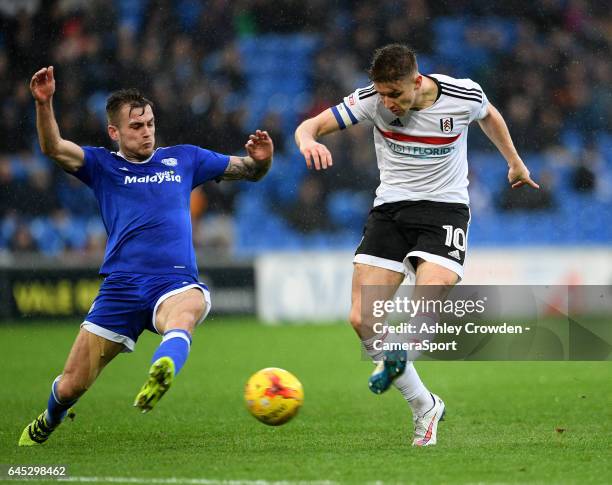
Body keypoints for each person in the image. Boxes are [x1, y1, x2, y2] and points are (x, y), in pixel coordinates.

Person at [294, 44, 538, 447]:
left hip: (445, 210)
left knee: (432, 288)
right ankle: (425, 405)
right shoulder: (371, 101)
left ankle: (400, 353)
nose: (388, 103)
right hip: (390, 211)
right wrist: (307, 142)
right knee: (361, 319)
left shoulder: (463, 95)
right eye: (383, 94)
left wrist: (514, 162)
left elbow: (489, 115)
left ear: (417, 81)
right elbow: (309, 126)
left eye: (395, 94)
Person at [19, 66, 273, 446]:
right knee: (72, 385)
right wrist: (45, 103)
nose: (147, 131)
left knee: (186, 310)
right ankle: (50, 418)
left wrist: (263, 160)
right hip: (120, 288)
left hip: (173, 281)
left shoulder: (185, 159)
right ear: (114, 132)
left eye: (150, 123)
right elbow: (53, 147)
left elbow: (249, 170)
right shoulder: (102, 166)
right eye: (136, 126)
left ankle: (163, 367)